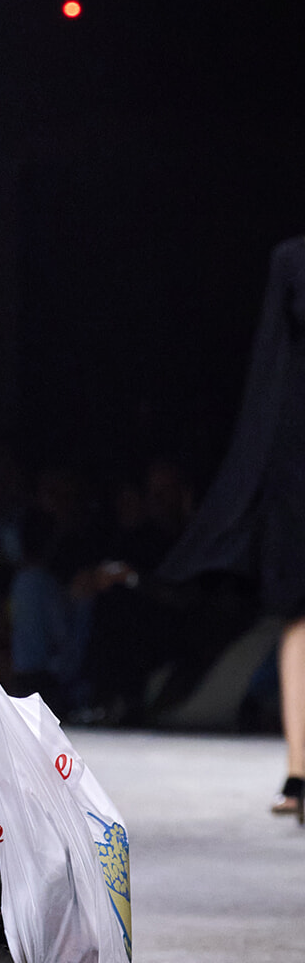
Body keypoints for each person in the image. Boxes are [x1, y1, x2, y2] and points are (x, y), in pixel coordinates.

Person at [160, 237, 305, 816]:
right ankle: (299, 771)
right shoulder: (292, 260)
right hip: (298, 458)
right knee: (298, 612)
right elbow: (270, 370)